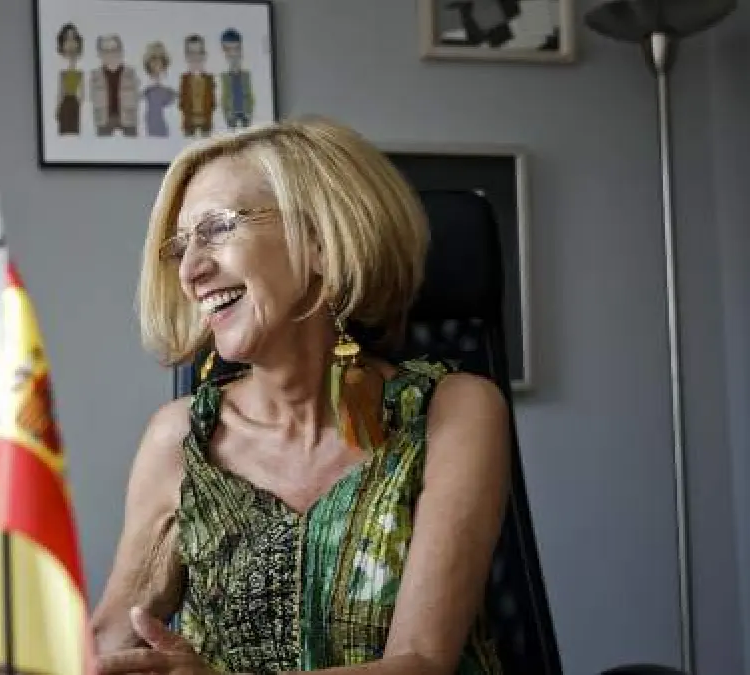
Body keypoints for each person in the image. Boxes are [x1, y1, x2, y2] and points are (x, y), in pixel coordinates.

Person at [92, 117, 511, 674]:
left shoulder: (453, 412)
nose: (190, 270)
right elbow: (111, 642)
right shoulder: (180, 437)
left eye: (217, 228)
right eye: (180, 247)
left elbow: (422, 663)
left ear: (320, 241)